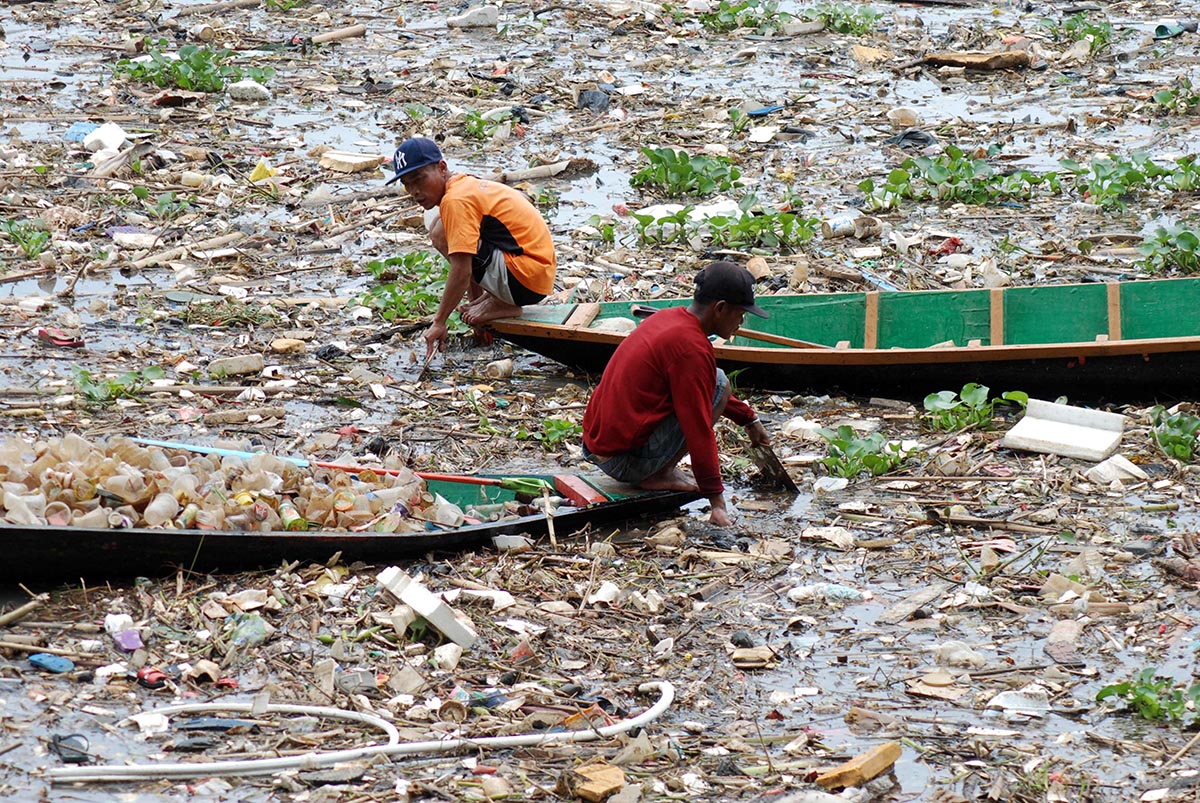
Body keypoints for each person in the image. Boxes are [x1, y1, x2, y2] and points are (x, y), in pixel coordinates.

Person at [581, 261, 773, 527]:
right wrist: (716, 501)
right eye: (740, 314)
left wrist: (748, 419)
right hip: (622, 462)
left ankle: (657, 470)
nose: (741, 322)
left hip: (596, 447)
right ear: (720, 309)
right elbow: (698, 427)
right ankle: (659, 474)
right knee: (720, 382)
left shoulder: (668, 318)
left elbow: (698, 387)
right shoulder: (691, 348)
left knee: (715, 381)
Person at [384, 137, 557, 361]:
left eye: (419, 179)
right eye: (407, 184)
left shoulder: (456, 200)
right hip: (533, 271)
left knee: (442, 234)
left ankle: (504, 302)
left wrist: (439, 322)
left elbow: (462, 268)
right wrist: (477, 309)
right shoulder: (463, 184)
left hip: (526, 280)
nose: (414, 190)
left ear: (442, 168)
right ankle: (494, 299)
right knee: (440, 228)